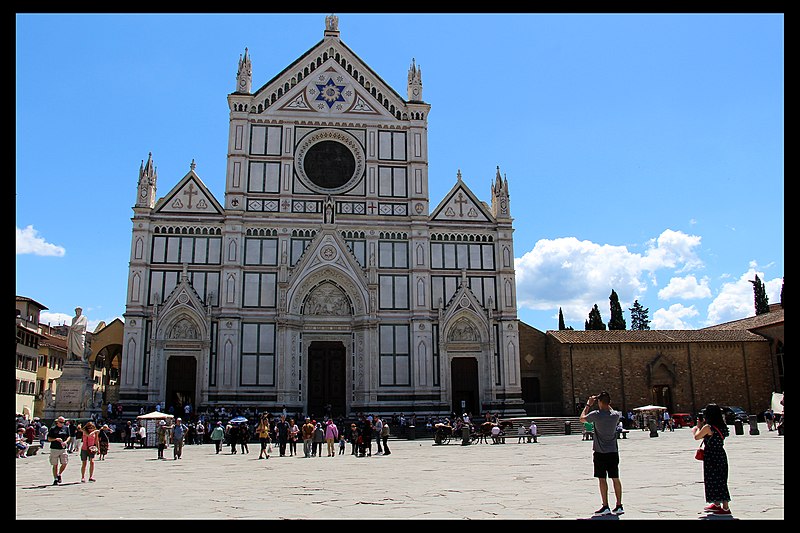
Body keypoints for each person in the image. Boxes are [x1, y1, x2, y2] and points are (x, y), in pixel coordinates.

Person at [580, 391, 624, 516]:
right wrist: (604, 402)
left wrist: (588, 405)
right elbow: (610, 409)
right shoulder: (615, 415)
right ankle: (619, 505)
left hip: (600, 452)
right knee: (615, 478)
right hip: (613, 452)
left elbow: (582, 418)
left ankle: (605, 506)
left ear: (599, 402)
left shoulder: (596, 415)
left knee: (602, 479)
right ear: (609, 402)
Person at [693, 403, 731, 515]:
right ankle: (717, 504)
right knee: (721, 480)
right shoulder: (722, 426)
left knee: (713, 480)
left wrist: (697, 428)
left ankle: (725, 508)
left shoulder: (708, 427)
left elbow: (697, 437)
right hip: (721, 455)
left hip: (711, 456)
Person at [48, 416, 71, 485]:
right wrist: (56, 439)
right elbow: (49, 439)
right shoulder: (53, 429)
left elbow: (69, 436)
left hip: (63, 448)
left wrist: (66, 442)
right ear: (57, 422)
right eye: (61, 422)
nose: (62, 424)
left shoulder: (66, 428)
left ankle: (59, 474)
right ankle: (55, 479)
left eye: (63, 422)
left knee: (64, 463)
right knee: (55, 464)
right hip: (54, 448)